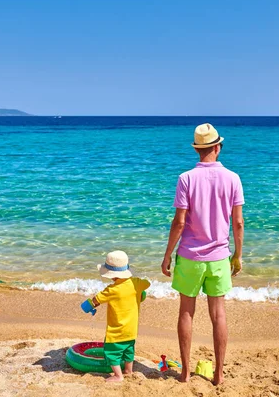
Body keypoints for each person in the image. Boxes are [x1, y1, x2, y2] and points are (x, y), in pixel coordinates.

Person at [161, 123, 245, 385]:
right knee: (218, 315)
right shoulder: (233, 178)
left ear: (198, 149)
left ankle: (185, 372)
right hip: (219, 257)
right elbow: (238, 222)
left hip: (189, 257)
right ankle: (219, 373)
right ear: (217, 148)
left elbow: (179, 222)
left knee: (186, 313)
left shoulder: (186, 178)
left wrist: (167, 256)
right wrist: (238, 255)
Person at [81, 250, 151, 382]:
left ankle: (118, 376)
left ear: (111, 275)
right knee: (128, 352)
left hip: (116, 332)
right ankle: (128, 371)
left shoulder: (111, 290)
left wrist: (89, 306)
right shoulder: (136, 283)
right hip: (131, 331)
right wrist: (139, 293)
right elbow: (147, 283)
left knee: (112, 353)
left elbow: (96, 300)